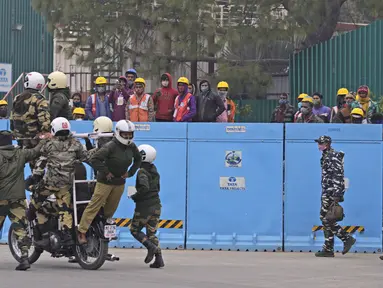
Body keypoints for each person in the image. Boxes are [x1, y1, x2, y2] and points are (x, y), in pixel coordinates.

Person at [77, 120, 142, 244]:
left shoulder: (132, 147)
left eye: (130, 134)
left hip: (119, 183)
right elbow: (95, 159)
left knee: (111, 208)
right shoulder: (110, 146)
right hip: (104, 182)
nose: (128, 137)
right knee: (94, 205)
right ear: (118, 133)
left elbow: (138, 160)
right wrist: (106, 172)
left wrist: (130, 172)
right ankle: (82, 231)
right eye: (125, 134)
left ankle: (102, 228)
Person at [30, 117, 88, 245]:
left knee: (36, 201)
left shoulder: (49, 144)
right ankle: (67, 236)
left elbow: (41, 162)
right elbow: (85, 157)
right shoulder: (76, 144)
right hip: (66, 185)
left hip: (49, 184)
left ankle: (40, 231)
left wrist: (35, 175)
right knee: (65, 209)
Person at [0, 130, 46, 270]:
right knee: (20, 228)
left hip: (1, 197)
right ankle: (24, 258)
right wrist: (43, 140)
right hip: (18, 198)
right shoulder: (20, 154)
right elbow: (36, 151)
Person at [314, 135, 356, 257]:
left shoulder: (333, 156)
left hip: (331, 192)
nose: (319, 145)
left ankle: (346, 238)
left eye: (320, 143)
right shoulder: (326, 155)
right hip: (327, 191)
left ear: (327, 144)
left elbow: (338, 174)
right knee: (326, 217)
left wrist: (337, 194)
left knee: (326, 218)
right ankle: (328, 248)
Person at [130, 144, 164, 268]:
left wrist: (135, 196)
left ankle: (150, 247)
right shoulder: (155, 171)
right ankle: (159, 259)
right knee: (152, 234)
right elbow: (157, 188)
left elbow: (144, 188)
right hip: (156, 205)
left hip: (145, 207)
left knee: (134, 230)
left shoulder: (141, 172)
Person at [10, 71, 51, 171]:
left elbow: (12, 117)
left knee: (19, 165)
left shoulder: (17, 98)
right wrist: (46, 132)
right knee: (37, 165)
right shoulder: (40, 99)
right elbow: (44, 119)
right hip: (34, 138)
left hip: (20, 138)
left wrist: (14, 132)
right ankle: (35, 183)